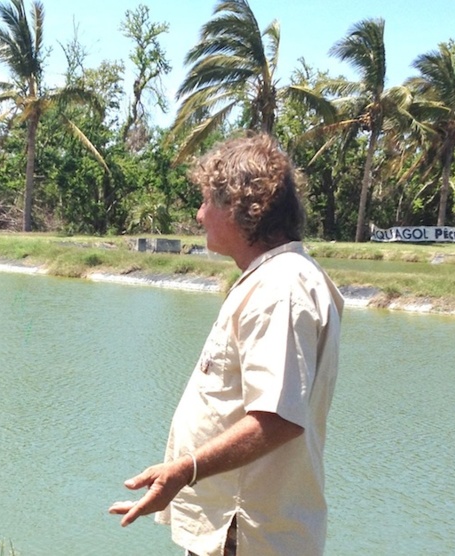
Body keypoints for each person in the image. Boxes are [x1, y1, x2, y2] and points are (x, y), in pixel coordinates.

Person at [109, 133, 343, 556]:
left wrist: (186, 469)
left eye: (206, 202)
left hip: (245, 533)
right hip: (235, 529)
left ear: (242, 208)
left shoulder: (281, 287)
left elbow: (278, 418)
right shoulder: (273, 277)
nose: (199, 215)